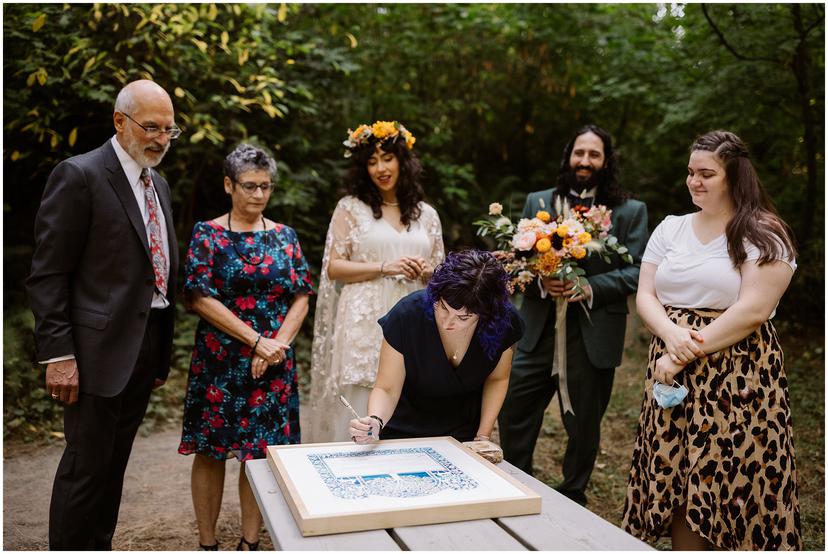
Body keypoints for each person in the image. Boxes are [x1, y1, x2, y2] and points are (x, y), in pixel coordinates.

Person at [622, 131, 801, 550]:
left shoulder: (764, 232)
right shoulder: (671, 228)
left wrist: (684, 351)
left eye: (706, 173)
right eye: (690, 172)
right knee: (681, 475)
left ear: (734, 176)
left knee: (734, 473)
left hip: (738, 371)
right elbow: (646, 294)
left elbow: (753, 310)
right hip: (671, 367)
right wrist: (670, 335)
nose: (694, 181)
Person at [26, 79, 180, 550]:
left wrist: (159, 353)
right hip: (91, 354)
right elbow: (49, 273)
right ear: (119, 121)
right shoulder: (80, 175)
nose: (160, 139)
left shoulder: (160, 184)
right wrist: (59, 353)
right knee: (85, 469)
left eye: (169, 130)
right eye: (151, 127)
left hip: (144, 346)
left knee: (113, 467)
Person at [498, 124, 649, 505]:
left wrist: (590, 287)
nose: (584, 161)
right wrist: (540, 281)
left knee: (584, 422)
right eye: (579, 153)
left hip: (592, 332)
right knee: (515, 406)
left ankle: (573, 494)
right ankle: (517, 483)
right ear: (568, 157)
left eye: (594, 154)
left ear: (606, 161)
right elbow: (517, 261)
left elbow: (639, 269)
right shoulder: (538, 201)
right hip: (537, 327)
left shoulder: (630, 212)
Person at [177, 144, 314, 551]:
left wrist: (275, 347)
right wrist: (256, 340)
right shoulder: (208, 234)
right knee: (210, 450)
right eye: (250, 186)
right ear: (228, 185)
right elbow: (198, 297)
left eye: (265, 187)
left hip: (273, 363)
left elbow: (302, 295)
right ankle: (207, 543)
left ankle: (250, 542)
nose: (258, 195)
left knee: (260, 454)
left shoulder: (285, 237)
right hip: (220, 362)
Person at [307, 120, 445, 443]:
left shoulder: (428, 215)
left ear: (402, 160)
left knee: (410, 391)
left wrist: (426, 270)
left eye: (387, 158)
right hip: (364, 320)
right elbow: (334, 267)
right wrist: (385, 266)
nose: (381, 168)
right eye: (372, 161)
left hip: (415, 315)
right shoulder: (350, 209)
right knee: (363, 395)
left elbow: (442, 272)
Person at [349, 250, 525, 449]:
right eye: (442, 307)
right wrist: (376, 420)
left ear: (486, 314)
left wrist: (482, 437)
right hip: (404, 429)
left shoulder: (504, 321)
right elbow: (387, 388)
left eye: (463, 317)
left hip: (465, 433)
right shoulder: (407, 315)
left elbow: (497, 379)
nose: (447, 322)